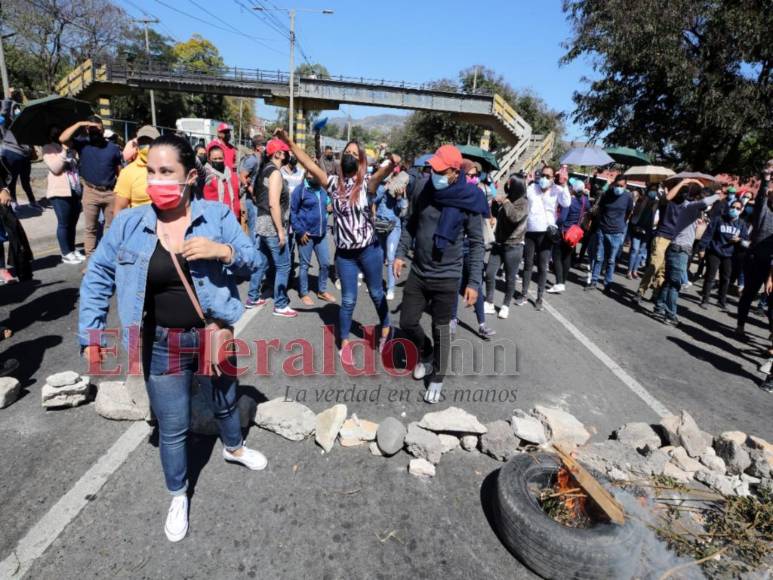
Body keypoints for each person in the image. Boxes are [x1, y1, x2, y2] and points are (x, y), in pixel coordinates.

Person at [78, 134, 265, 543]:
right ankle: (178, 493)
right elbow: (97, 277)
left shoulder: (216, 216)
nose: (156, 181)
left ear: (190, 177)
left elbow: (256, 261)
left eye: (167, 172)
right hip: (161, 344)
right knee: (173, 424)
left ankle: (233, 447)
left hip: (213, 334)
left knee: (224, 398)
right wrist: (91, 332)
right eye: (151, 172)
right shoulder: (129, 224)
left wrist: (223, 251)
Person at [395, 145, 487, 403]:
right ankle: (425, 353)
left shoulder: (469, 200)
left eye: (440, 170)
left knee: (442, 329)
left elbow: (478, 243)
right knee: (407, 323)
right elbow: (410, 224)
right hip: (419, 271)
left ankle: (437, 377)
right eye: (432, 168)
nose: (433, 173)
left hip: (448, 275)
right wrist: (401, 252)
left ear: (455, 173)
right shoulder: (422, 188)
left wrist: (473, 282)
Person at [653, 181, 719, 325]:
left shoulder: (693, 210)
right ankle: (670, 315)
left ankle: (659, 306)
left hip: (678, 248)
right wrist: (718, 195)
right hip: (679, 249)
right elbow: (707, 201)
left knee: (670, 281)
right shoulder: (690, 206)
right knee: (675, 284)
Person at [60, 116, 123, 258]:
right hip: (90, 192)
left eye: (97, 126)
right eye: (91, 127)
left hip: (110, 192)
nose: (94, 130)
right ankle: (91, 263)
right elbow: (63, 139)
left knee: (113, 228)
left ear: (102, 128)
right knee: (90, 229)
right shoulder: (82, 144)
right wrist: (80, 123)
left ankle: (112, 260)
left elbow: (120, 173)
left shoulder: (113, 148)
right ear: (87, 129)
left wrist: (121, 193)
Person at [518, 165, 571, 310]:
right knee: (528, 265)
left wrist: (564, 184)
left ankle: (539, 298)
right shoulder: (532, 188)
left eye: (548, 176)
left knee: (542, 267)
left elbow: (567, 203)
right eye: (542, 175)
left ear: (553, 178)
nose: (544, 178)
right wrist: (525, 182)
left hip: (546, 233)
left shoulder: (557, 190)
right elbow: (521, 196)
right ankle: (523, 294)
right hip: (530, 231)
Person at [735, 162, 773, 336]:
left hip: (771, 262)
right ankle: (740, 325)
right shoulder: (763, 212)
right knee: (749, 293)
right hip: (756, 258)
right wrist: (766, 177)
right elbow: (761, 199)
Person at [484, 174, 528, 318]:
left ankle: (505, 305)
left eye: (510, 183)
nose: (507, 185)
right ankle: (489, 302)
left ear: (517, 185)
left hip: (514, 246)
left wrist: (506, 202)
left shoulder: (524, 202)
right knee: (490, 273)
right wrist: (496, 205)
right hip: (499, 243)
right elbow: (499, 215)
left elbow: (514, 217)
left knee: (510, 278)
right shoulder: (507, 198)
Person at [290, 171, 336, 305]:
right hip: (306, 235)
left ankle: (322, 291)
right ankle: (303, 293)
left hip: (320, 234)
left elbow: (327, 203)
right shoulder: (300, 191)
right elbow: (293, 212)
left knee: (325, 263)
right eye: (311, 172)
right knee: (304, 265)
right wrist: (300, 231)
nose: (315, 175)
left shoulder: (321, 189)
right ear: (307, 175)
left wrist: (329, 206)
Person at [42, 125, 84, 264]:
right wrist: (64, 150)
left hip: (74, 190)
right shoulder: (48, 148)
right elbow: (55, 169)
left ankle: (72, 249)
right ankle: (65, 253)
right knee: (64, 223)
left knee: (72, 223)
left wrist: (70, 151)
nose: (58, 133)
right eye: (55, 131)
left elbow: (76, 167)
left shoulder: (72, 148)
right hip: (59, 192)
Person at [585, 175, 633, 292]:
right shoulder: (606, 194)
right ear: (614, 184)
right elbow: (600, 209)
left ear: (625, 186)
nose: (619, 188)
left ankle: (608, 284)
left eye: (621, 186)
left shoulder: (628, 197)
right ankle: (594, 281)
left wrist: (622, 224)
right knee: (599, 257)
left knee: (611, 260)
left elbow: (629, 212)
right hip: (603, 230)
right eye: (617, 185)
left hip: (617, 233)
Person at [698, 200, 749, 310]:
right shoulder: (719, 219)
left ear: (742, 210)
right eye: (733, 207)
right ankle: (705, 299)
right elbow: (708, 234)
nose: (734, 210)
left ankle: (721, 300)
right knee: (710, 276)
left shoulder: (741, 224)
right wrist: (702, 248)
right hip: (715, 251)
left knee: (725, 278)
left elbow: (746, 241)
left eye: (738, 208)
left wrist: (739, 240)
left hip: (730, 254)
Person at [549, 177, 589, 294]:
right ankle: (563, 282)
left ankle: (559, 282)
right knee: (567, 257)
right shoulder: (584, 201)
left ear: (573, 189)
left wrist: (556, 224)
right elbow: (589, 209)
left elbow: (562, 218)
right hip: (575, 232)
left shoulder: (570, 201)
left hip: (564, 231)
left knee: (556, 257)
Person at [0, 91, 40, 209]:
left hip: (24, 153)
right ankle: (13, 202)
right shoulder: (5, 121)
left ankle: (32, 202)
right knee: (11, 180)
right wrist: (9, 98)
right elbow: (5, 111)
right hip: (10, 151)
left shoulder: (23, 120)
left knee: (25, 180)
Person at [374, 171, 409, 301]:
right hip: (380, 225)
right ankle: (376, 285)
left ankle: (390, 288)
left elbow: (403, 210)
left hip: (394, 227)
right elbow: (374, 200)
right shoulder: (381, 186)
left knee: (390, 257)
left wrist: (400, 196)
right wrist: (384, 188)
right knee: (379, 256)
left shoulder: (401, 190)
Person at [114, 125, 160, 214]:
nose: (147, 146)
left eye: (150, 142)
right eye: (143, 142)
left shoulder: (168, 167)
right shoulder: (127, 172)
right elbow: (119, 209)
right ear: (137, 144)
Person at [202, 143, 240, 218]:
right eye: (215, 159)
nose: (218, 161)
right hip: (213, 216)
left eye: (220, 158)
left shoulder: (229, 172)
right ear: (209, 159)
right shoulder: (206, 174)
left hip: (230, 215)